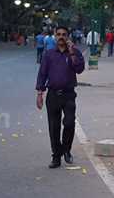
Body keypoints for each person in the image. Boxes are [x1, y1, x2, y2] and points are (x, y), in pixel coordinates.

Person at [35, 25, 85, 168]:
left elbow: (79, 69)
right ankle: (56, 156)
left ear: (68, 36)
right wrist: (40, 93)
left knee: (69, 123)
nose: (61, 37)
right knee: (54, 127)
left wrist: (72, 53)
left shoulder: (74, 52)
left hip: (68, 94)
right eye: (59, 34)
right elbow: (42, 74)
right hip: (52, 95)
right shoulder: (49, 54)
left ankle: (66, 150)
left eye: (64, 34)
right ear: (55, 37)